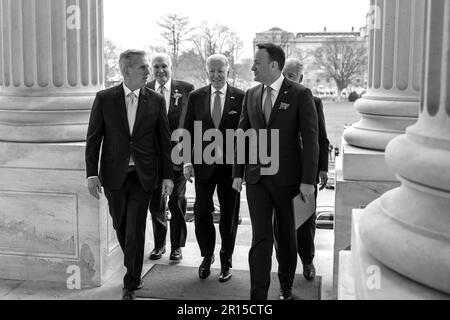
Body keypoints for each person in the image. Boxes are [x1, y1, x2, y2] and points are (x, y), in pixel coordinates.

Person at [232, 44, 319, 300]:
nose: (252, 67)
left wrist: (307, 182)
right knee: (260, 238)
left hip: (289, 181)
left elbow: (311, 140)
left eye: (257, 62)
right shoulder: (251, 94)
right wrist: (238, 172)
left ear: (274, 65)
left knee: (287, 238)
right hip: (257, 179)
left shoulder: (301, 94)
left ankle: (286, 287)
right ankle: (257, 295)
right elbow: (242, 135)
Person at [85, 49, 173, 300]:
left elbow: (164, 141)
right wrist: (92, 174)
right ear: (126, 70)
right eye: (143, 67)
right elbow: (94, 139)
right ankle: (132, 264)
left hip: (143, 176)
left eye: (148, 67)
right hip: (113, 176)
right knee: (121, 225)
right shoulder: (105, 98)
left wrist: (167, 176)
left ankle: (131, 282)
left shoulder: (156, 100)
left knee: (135, 228)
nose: (149, 71)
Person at [183, 54, 244, 283]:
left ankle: (226, 260)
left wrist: (242, 169)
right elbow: (186, 129)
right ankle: (207, 255)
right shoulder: (196, 96)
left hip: (230, 169)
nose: (217, 75)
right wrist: (187, 162)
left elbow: (246, 135)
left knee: (229, 216)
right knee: (201, 212)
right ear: (206, 72)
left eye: (221, 71)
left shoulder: (241, 97)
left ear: (228, 70)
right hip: (203, 167)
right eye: (212, 71)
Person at [280, 58, 330, 281]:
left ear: (300, 78)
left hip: (305, 172)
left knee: (305, 221)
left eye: (291, 75)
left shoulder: (313, 100)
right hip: (279, 172)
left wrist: (321, 169)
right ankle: (284, 264)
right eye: (284, 74)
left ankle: (307, 260)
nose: (287, 79)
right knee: (280, 223)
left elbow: (321, 138)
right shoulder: (273, 100)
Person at [146, 53, 194, 262]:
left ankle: (177, 246)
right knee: (156, 204)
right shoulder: (145, 88)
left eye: (164, 66)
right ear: (151, 69)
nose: (160, 71)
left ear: (170, 67)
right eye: (156, 67)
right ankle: (159, 245)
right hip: (153, 159)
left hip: (178, 156)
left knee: (177, 202)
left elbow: (192, 124)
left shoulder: (186, 89)